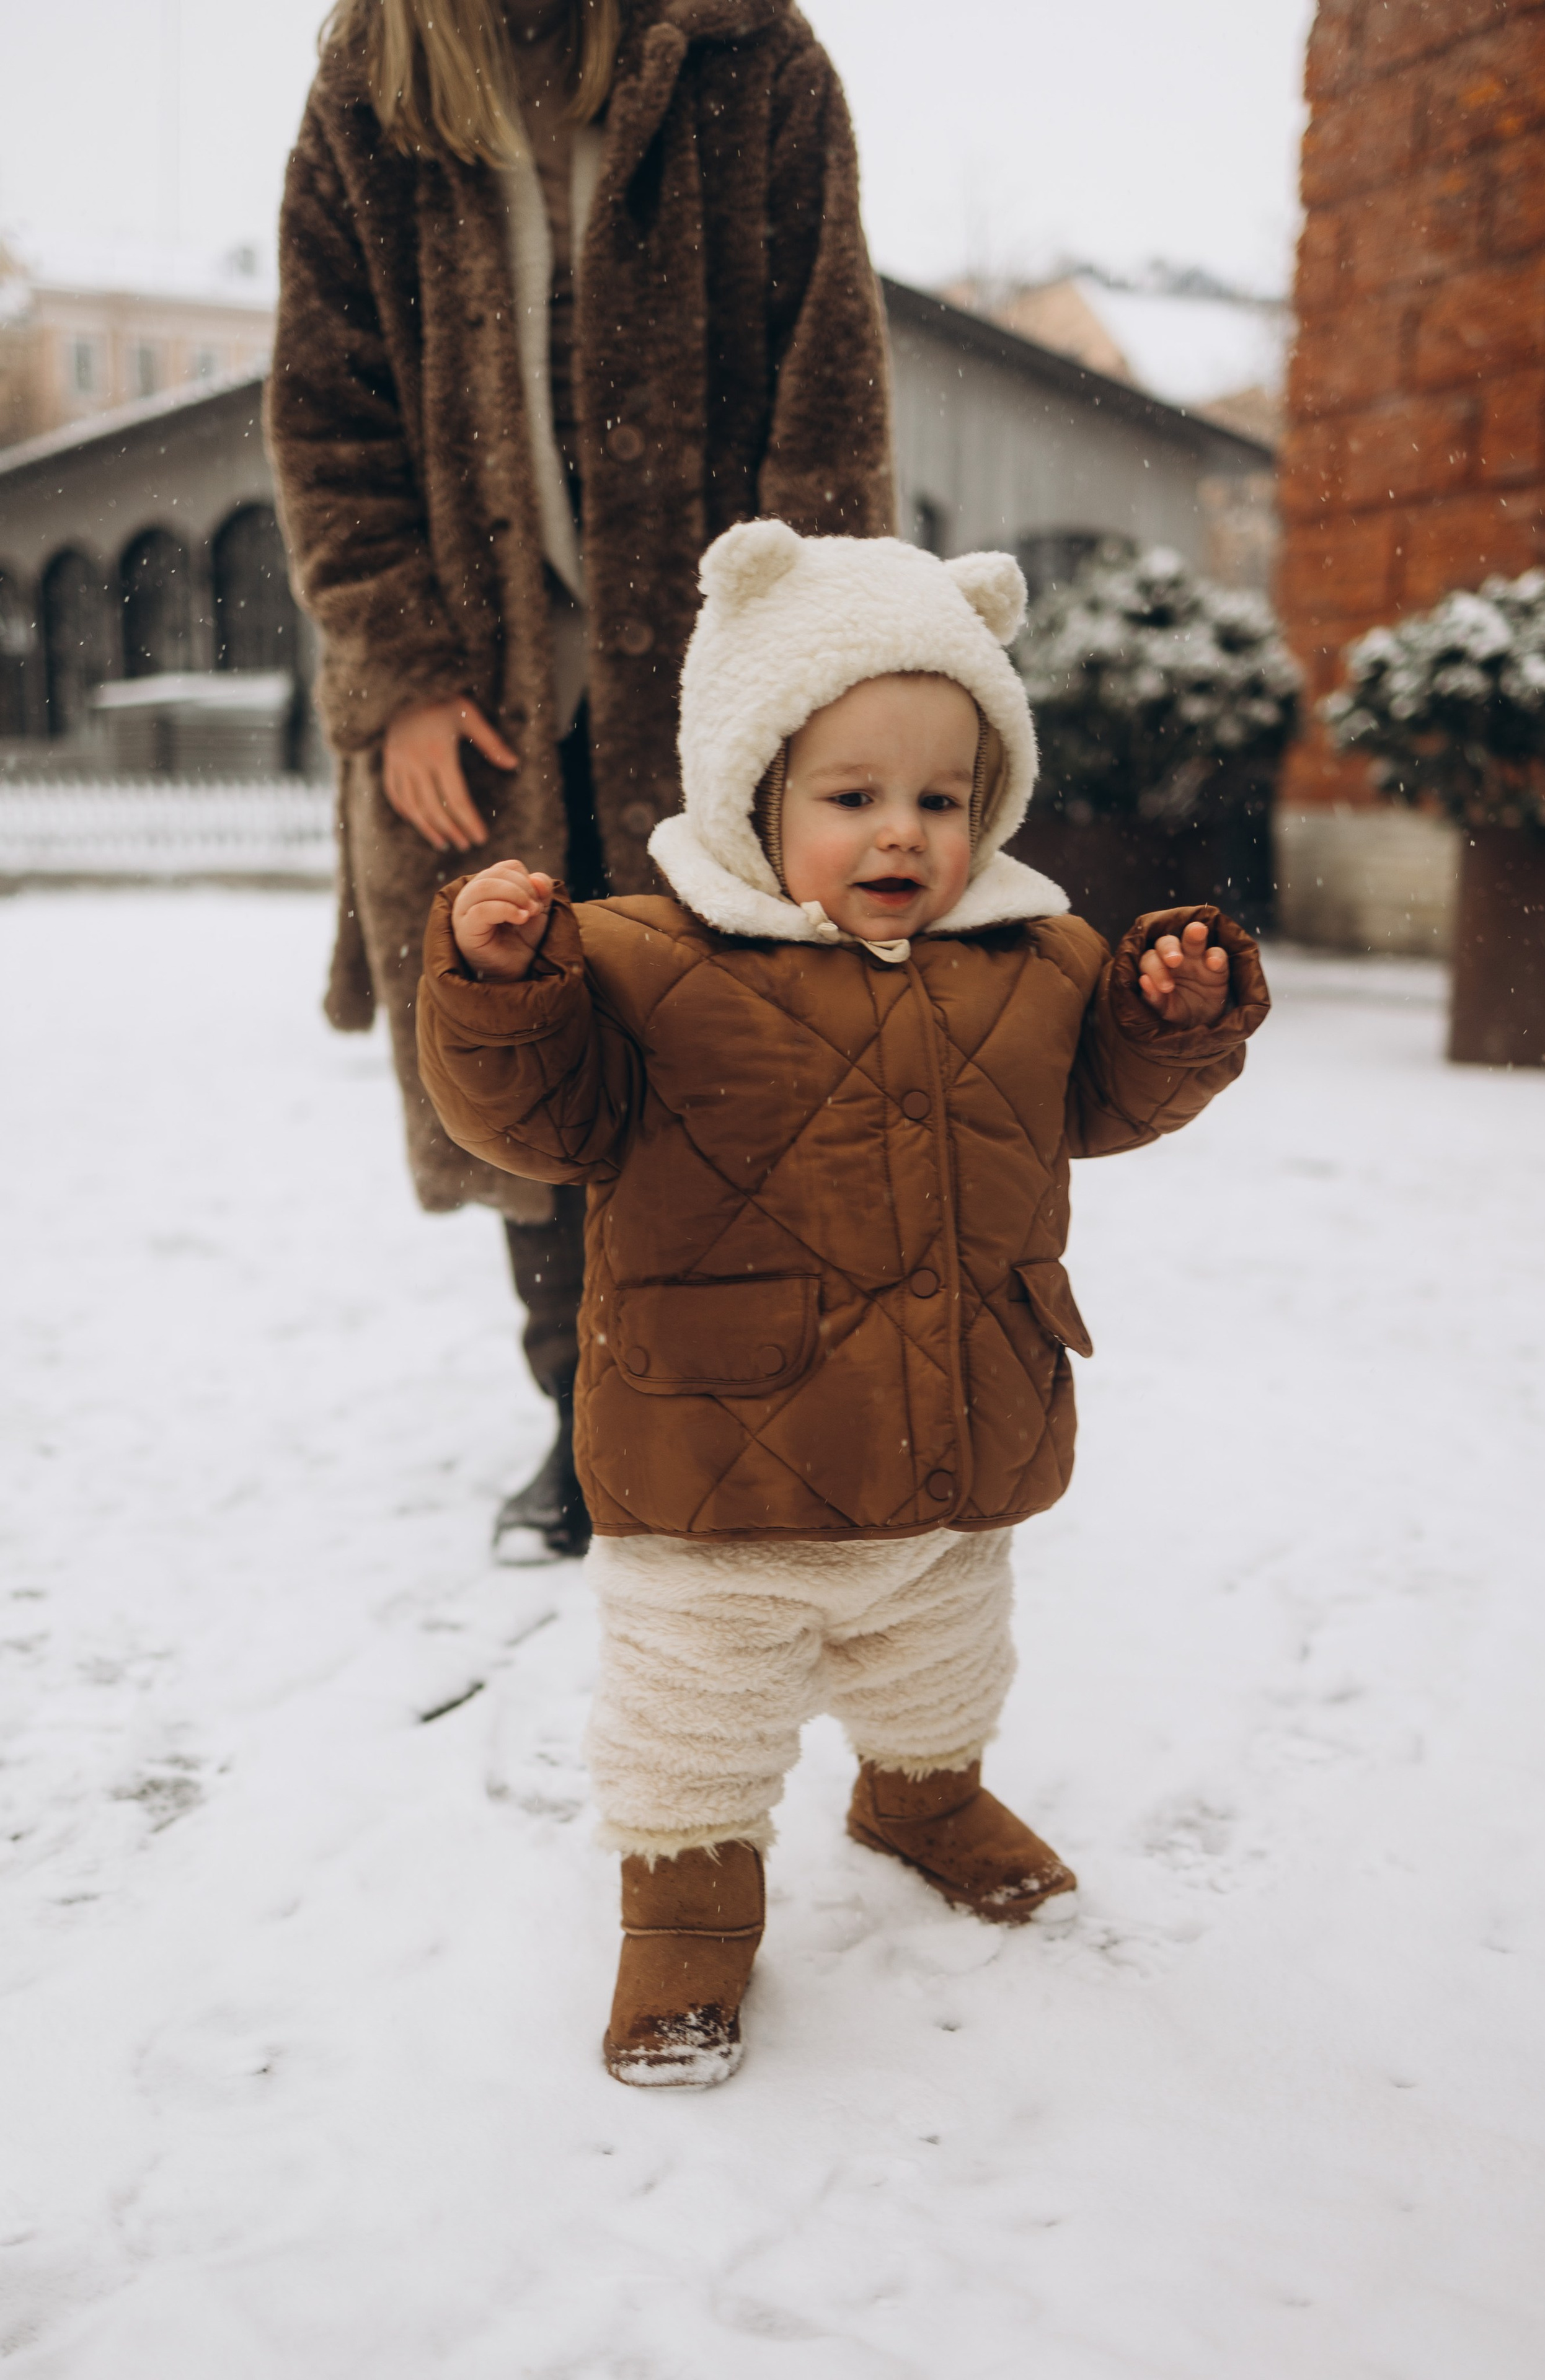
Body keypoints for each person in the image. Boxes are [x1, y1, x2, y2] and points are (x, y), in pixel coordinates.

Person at [415, 524, 1271, 2086]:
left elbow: (1104, 1099)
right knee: (695, 1723)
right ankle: (684, 1918)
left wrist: (1168, 1018)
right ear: (753, 792)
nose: (904, 834)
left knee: (942, 1657)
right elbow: (528, 1124)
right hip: (716, 1464)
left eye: (941, 799)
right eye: (852, 796)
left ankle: (920, 1793)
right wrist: (500, 984)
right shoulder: (633, 960)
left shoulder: (1033, 959)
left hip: (956, 1435)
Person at [267, 0, 892, 1561]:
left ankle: (759, 1411)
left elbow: (829, 394)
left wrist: (810, 679)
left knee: (742, 1056)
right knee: (527, 1053)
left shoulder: (752, 55)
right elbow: (325, 405)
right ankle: (584, 1416)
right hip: (476, 699)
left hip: (718, 677)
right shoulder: (378, 74)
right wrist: (400, 669)